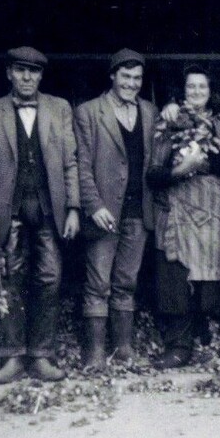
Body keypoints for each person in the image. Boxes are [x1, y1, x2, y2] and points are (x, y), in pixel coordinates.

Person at [0, 46, 80, 384]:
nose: (26, 77)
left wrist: (74, 208)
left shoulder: (59, 108)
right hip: (11, 212)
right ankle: (13, 356)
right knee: (11, 280)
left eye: (33, 72)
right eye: (20, 70)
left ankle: (41, 355)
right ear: (9, 73)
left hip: (49, 209)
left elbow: (70, 163)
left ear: (41, 76)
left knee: (50, 278)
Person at [74, 49, 157, 370]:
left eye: (137, 78)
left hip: (139, 210)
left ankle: (124, 349)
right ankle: (94, 354)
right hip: (104, 213)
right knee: (98, 284)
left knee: (126, 282)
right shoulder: (89, 112)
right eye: (126, 77)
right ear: (112, 76)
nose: (132, 84)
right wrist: (93, 205)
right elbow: (80, 165)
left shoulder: (150, 112)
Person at [146, 64, 220, 369]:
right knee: (176, 281)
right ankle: (179, 347)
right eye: (190, 87)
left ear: (211, 92)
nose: (196, 92)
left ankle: (206, 342)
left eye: (202, 87)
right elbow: (153, 174)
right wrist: (182, 169)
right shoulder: (168, 123)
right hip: (178, 212)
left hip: (211, 213)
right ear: (182, 91)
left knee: (209, 282)